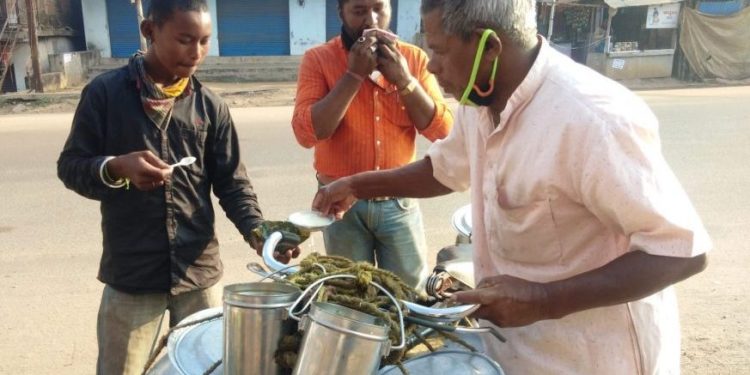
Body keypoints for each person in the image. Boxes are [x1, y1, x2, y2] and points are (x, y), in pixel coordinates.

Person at [311, 0, 711, 373]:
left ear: (489, 46)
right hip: (515, 350)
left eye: (441, 51)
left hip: (596, 357)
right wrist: (355, 185)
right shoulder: (480, 99)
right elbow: (444, 170)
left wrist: (544, 299)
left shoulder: (593, 119)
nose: (430, 66)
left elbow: (682, 251)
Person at [56, 1, 297, 374]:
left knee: (205, 367)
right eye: (185, 40)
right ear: (149, 31)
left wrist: (260, 234)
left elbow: (233, 184)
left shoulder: (210, 106)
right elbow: (71, 166)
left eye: (204, 41)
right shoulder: (105, 95)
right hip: (132, 276)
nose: (196, 53)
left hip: (198, 276)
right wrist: (116, 167)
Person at [291, 0, 453, 288]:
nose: (372, 21)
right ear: (341, 12)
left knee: (407, 295)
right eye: (359, 11)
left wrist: (403, 80)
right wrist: (353, 75)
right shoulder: (318, 59)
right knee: (352, 298)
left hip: (398, 205)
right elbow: (307, 134)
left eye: (380, 8)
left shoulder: (412, 59)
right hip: (340, 209)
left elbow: (443, 132)